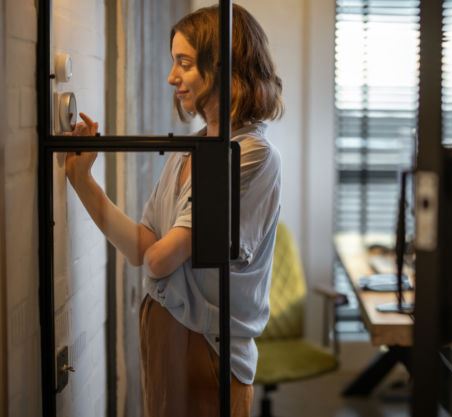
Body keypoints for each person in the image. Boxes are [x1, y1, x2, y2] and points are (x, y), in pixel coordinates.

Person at [65, 5, 282, 417]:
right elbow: (141, 248)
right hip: (168, 334)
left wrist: (156, 253)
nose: (171, 77)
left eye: (184, 63)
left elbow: (160, 260)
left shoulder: (249, 154)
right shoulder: (192, 148)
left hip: (206, 346)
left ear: (222, 67)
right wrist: (82, 180)